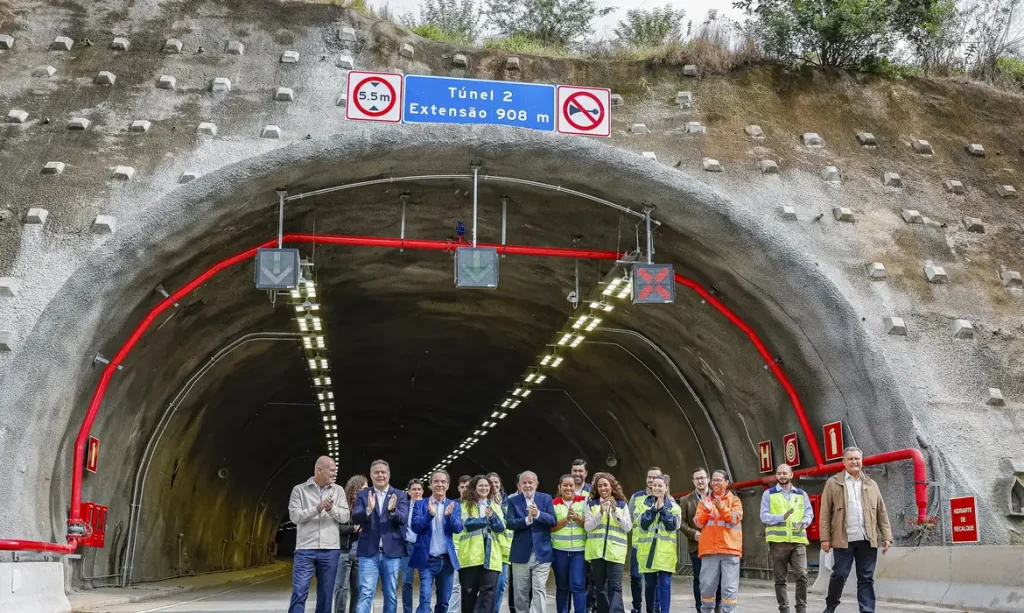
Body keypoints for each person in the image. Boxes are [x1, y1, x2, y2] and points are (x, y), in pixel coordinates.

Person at [820, 447, 893, 613]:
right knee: (840, 574)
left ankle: (867, 610)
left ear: (862, 461)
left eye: (857, 459)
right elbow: (824, 512)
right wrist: (825, 538)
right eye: (850, 459)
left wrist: (886, 536)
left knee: (866, 578)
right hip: (842, 539)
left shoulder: (871, 484)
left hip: (867, 539)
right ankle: (831, 606)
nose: (854, 462)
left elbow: (881, 511)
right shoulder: (833, 483)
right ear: (844, 462)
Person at [288, 456, 351, 613]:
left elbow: (345, 517)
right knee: (299, 592)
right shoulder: (299, 490)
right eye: (331, 470)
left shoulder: (338, 490)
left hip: (330, 550)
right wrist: (317, 508)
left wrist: (331, 509)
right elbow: (294, 517)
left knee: (325, 595)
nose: (334, 473)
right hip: (305, 550)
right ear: (319, 470)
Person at [353, 459, 410, 613]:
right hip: (368, 553)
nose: (380, 475)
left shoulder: (400, 495)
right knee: (365, 593)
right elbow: (355, 517)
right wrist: (368, 510)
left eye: (383, 472)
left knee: (390, 594)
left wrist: (393, 511)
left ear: (389, 475)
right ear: (371, 475)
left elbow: (403, 518)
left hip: (391, 553)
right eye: (376, 472)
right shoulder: (363, 495)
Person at [760, 464, 813, 613]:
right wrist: (780, 517)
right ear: (776, 476)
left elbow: (809, 513)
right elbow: (764, 516)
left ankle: (801, 609)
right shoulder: (769, 494)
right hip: (778, 543)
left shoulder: (802, 494)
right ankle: (784, 609)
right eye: (779, 473)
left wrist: (805, 521)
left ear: (791, 475)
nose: (782, 476)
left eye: (785, 473)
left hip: (798, 542)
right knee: (780, 579)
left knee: (802, 575)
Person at [411, 470, 463, 613]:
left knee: (444, 601)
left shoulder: (454, 506)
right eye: (436, 481)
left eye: (443, 482)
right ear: (431, 484)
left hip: (447, 562)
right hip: (427, 560)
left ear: (447, 485)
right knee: (425, 599)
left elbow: (458, 528)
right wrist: (429, 515)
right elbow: (415, 527)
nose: (439, 484)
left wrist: (450, 516)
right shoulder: (421, 505)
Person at [507, 471, 557, 613]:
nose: (528, 485)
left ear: (536, 484)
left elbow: (553, 520)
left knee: (539, 588)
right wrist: (527, 520)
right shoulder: (513, 501)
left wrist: (538, 514)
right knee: (520, 591)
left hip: (542, 553)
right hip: (520, 553)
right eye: (524, 483)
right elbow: (509, 523)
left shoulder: (546, 499)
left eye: (530, 482)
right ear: (519, 485)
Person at [694, 470, 742, 613]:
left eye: (719, 480)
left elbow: (735, 519)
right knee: (707, 586)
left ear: (726, 482)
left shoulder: (735, 501)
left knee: (729, 588)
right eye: (713, 480)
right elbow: (698, 522)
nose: (715, 483)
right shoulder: (704, 501)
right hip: (709, 551)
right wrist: (707, 511)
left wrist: (721, 508)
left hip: (730, 550)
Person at [584, 472, 632, 613]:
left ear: (612, 486)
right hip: (597, 553)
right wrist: (600, 513)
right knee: (600, 587)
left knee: (615, 586)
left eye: (605, 485)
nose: (603, 488)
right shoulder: (591, 504)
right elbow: (588, 527)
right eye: (599, 486)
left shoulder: (622, 505)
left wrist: (615, 512)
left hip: (616, 552)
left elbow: (628, 527)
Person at [459, 475, 507, 613]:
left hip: (491, 557)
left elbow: (501, 527)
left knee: (488, 592)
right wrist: (486, 520)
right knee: (469, 593)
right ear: (474, 487)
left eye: (487, 486)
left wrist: (492, 517)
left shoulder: (495, 506)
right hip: (471, 557)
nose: (484, 488)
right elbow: (466, 525)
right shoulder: (465, 505)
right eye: (481, 485)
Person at [678, 468, 720, 613]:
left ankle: (718, 606)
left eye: (702, 477)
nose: (700, 481)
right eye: (697, 478)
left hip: (717, 546)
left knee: (718, 578)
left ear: (708, 479)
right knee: (700, 579)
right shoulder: (685, 500)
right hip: (697, 546)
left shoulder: (718, 497)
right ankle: (699, 608)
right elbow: (681, 523)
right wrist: (693, 533)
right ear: (693, 481)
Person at [637, 475, 680, 613]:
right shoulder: (642, 504)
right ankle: (651, 610)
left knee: (665, 584)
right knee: (649, 585)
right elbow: (642, 523)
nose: (657, 488)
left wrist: (662, 510)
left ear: (666, 488)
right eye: (654, 485)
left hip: (665, 554)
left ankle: (665, 611)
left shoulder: (673, 507)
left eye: (660, 486)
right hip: (647, 553)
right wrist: (654, 509)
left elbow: (673, 525)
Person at [628, 467, 663, 613]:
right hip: (639, 544)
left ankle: (655, 608)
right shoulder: (636, 497)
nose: (651, 480)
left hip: (657, 546)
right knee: (635, 577)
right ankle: (637, 606)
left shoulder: (668, 499)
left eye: (655, 477)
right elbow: (629, 519)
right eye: (649, 477)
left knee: (654, 581)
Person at [552, 474, 588, 613]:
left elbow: (590, 524)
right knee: (562, 587)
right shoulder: (552, 503)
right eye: (565, 485)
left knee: (578, 585)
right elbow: (551, 527)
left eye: (571, 485)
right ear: (559, 487)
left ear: (575, 487)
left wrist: (577, 517)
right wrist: (566, 520)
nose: (568, 488)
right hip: (559, 551)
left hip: (579, 551)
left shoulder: (584, 502)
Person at [335, 475, 368, 613]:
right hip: (344, 552)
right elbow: (336, 528)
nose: (367, 491)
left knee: (358, 589)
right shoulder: (343, 506)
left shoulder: (367, 505)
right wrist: (353, 528)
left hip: (361, 553)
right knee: (341, 589)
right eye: (364, 488)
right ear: (356, 488)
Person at [570, 460, 595, 613]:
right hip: (570, 545)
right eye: (575, 471)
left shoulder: (592, 492)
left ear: (586, 473)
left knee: (591, 580)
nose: (577, 474)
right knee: (575, 582)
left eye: (580, 471)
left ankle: (589, 608)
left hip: (590, 543)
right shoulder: (566, 489)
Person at [487, 473, 511, 613]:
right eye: (491, 482)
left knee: (501, 585)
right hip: (489, 550)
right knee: (487, 586)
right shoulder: (483, 501)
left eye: (496, 482)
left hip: (504, 550)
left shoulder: (507, 501)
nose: (494, 485)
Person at [450, 475, 473, 613]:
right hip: (456, 549)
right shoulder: (452, 505)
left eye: (467, 487)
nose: (464, 490)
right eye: (462, 487)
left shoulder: (476, 505)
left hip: (473, 550)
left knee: (471, 586)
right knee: (455, 585)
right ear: (458, 488)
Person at [403, 479, 426, 613]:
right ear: (409, 491)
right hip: (408, 547)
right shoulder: (404, 506)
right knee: (407, 581)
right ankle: (407, 610)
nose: (416, 492)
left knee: (425, 581)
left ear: (422, 491)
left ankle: (424, 609)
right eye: (414, 489)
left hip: (424, 548)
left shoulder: (429, 505)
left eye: (419, 489)